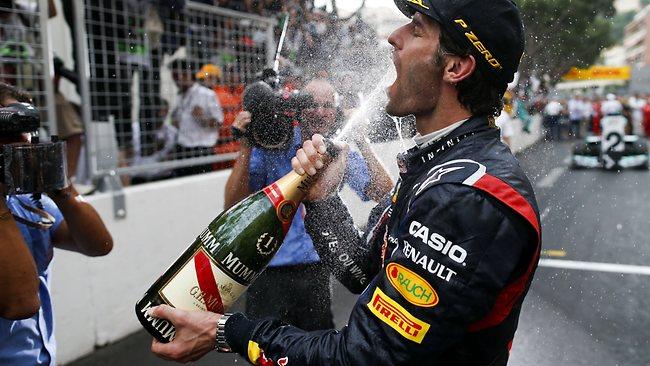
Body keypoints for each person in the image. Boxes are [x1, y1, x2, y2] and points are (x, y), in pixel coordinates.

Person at [148, 0, 541, 364]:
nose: (393, 37)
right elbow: (364, 271)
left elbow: (364, 356)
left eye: (417, 30)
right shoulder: (437, 166)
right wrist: (320, 201)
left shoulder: (464, 194)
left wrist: (224, 331)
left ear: (456, 67)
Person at [223, 77, 393, 331]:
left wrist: (361, 139)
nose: (320, 112)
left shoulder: (336, 151)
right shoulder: (273, 141)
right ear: (299, 108)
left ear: (336, 113)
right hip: (268, 272)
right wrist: (246, 144)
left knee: (316, 351)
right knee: (260, 351)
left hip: (315, 271)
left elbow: (384, 193)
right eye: (312, 104)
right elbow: (232, 204)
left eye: (328, 106)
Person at [0, 82, 113, 365]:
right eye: (7, 134)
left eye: (23, 133)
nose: (20, 146)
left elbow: (99, 244)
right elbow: (22, 303)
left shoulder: (26, 201)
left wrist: (60, 185)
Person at [169, 59, 224, 177]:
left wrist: (202, 118)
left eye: (176, 75)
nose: (175, 80)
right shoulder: (180, 96)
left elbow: (219, 122)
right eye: (173, 76)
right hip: (183, 148)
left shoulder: (207, 94)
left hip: (201, 150)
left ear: (187, 74)